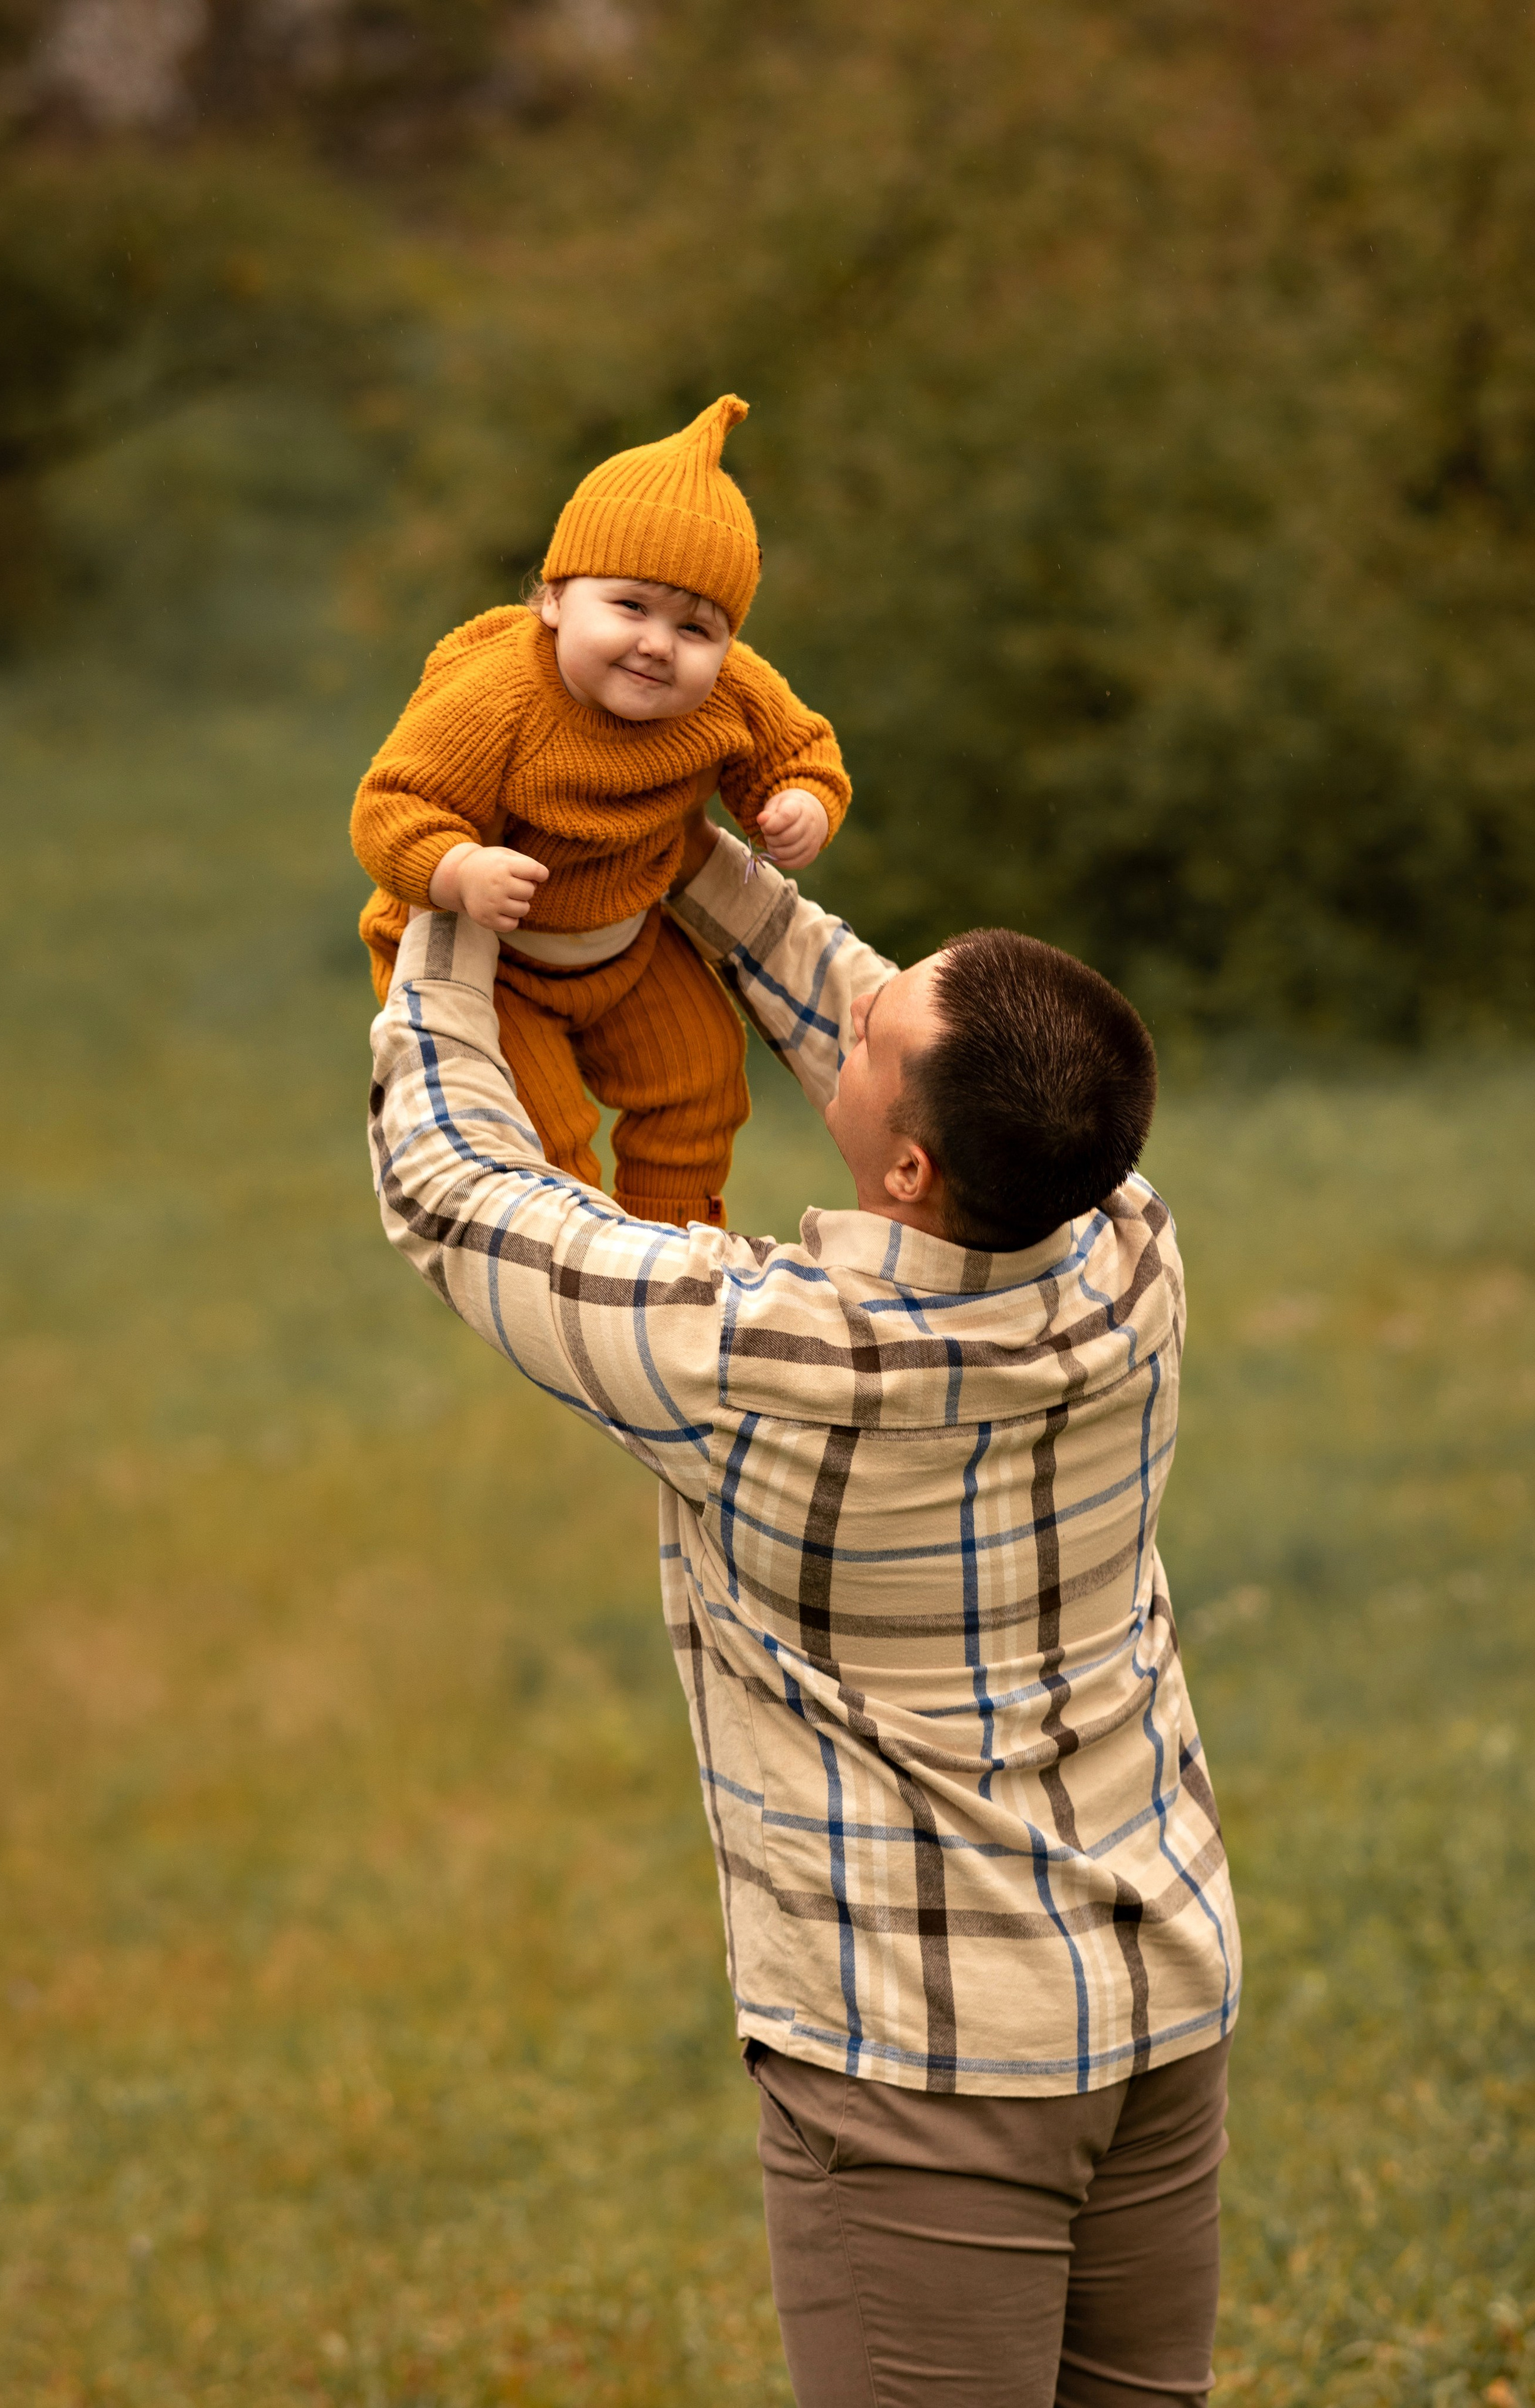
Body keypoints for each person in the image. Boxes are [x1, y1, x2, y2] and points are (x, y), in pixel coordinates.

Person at [368, 812, 1242, 2408]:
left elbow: (453, 1191)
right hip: (1159, 1995)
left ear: (905, 1167)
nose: (845, 1004)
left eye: (872, 1032)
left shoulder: (763, 1360)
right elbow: (858, 1000)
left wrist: (442, 909)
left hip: (923, 2068)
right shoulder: (1125, 1248)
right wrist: (665, 841)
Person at [351, 393, 850, 1229]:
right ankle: (584, 1273)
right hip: (495, 959)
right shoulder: (500, 699)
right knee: (542, 1136)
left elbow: (799, 748)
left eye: (697, 626)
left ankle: (674, 1254)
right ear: (554, 599)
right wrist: (460, 868)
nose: (660, 642)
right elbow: (394, 804)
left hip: (629, 939)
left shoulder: (731, 689)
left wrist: (802, 801)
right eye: (630, 606)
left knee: (701, 1079)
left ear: (727, 643)